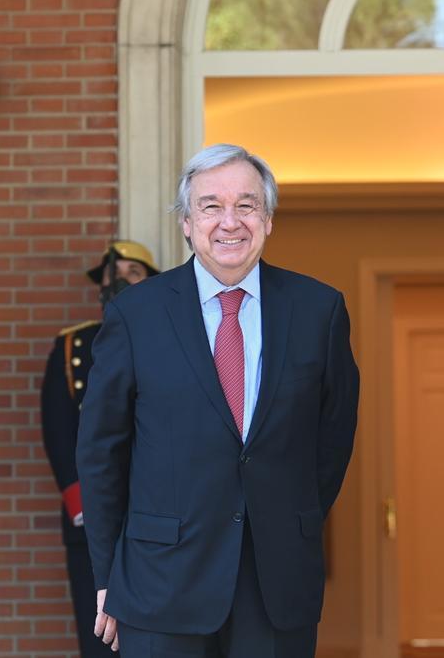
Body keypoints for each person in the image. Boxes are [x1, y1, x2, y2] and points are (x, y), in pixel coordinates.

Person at [76, 143, 360, 658]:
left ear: (268, 220)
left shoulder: (319, 310)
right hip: (158, 583)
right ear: (187, 222)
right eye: (211, 206)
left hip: (276, 582)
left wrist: (285, 513)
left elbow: (333, 439)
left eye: (246, 205)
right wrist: (106, 575)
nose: (230, 222)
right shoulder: (136, 315)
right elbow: (101, 454)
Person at [40, 240, 159, 658]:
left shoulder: (168, 342)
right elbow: (59, 430)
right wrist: (83, 501)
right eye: (114, 273)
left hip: (159, 517)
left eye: (134, 272)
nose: (121, 280)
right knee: (99, 638)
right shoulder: (74, 347)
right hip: (92, 516)